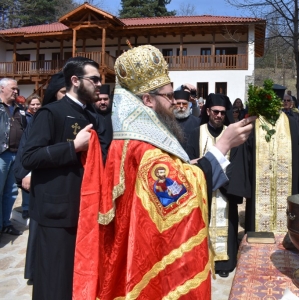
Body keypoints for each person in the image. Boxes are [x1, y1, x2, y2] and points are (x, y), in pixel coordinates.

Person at [71, 45, 256, 299]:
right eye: (168, 96)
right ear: (147, 100)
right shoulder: (144, 149)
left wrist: (186, 166)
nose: (173, 103)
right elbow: (178, 196)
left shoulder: (130, 140)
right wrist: (223, 144)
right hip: (147, 260)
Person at [21, 56, 111, 300]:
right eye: (93, 79)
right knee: (54, 282)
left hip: (84, 211)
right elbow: (29, 157)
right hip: (55, 213)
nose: (99, 84)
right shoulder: (51, 112)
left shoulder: (92, 115)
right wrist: (72, 147)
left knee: (76, 281)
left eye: (99, 80)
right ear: (75, 80)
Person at [14, 71, 66, 284]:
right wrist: (28, 172)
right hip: (41, 178)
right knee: (39, 228)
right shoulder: (45, 115)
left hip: (60, 181)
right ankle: (37, 270)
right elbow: (28, 149)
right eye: (63, 92)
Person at [227, 95, 299, 233]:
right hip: (258, 192)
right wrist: (244, 188)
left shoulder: (292, 124)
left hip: (287, 187)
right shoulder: (254, 124)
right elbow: (245, 156)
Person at [186, 93, 238, 278]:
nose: (219, 116)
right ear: (208, 111)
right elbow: (189, 162)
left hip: (226, 190)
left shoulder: (231, 134)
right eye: (215, 112)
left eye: (223, 113)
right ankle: (202, 261)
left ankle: (223, 264)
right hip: (202, 191)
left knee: (227, 223)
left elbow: (237, 163)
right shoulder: (195, 133)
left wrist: (224, 178)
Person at [0, 78, 26, 238]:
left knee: (11, 192)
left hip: (17, 155)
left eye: (17, 89)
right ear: (2, 88)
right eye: (13, 88)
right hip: (2, 155)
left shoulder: (19, 109)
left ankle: (5, 224)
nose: (16, 91)